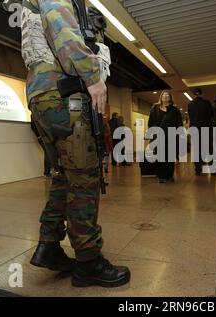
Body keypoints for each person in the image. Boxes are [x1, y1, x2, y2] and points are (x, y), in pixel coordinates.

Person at [22, 0, 130, 288]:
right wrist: (93, 78)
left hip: (44, 94)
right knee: (84, 178)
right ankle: (88, 262)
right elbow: (63, 30)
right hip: (62, 93)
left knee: (65, 175)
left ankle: (49, 245)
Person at [148, 91, 183, 183]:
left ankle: (170, 175)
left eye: (167, 95)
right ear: (161, 97)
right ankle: (161, 176)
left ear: (170, 98)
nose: (165, 96)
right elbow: (151, 123)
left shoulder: (175, 110)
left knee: (170, 157)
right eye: (164, 95)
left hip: (171, 135)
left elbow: (179, 123)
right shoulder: (155, 109)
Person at [187, 88, 214, 175]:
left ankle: (198, 169)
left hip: (195, 129)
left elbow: (190, 116)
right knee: (208, 148)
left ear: (194, 94)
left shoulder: (190, 104)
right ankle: (212, 168)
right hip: (206, 128)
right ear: (201, 94)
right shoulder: (206, 103)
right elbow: (211, 115)